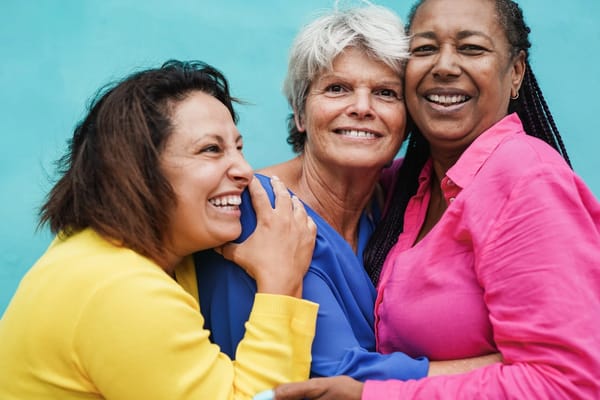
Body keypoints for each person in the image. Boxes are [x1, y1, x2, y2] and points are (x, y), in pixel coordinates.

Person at [264, 0, 600, 398]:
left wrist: (372, 394)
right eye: (424, 49)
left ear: (516, 73)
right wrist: (254, 195)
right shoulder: (405, 187)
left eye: (471, 48)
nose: (444, 66)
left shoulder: (527, 180)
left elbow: (569, 384)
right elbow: (321, 177)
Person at [196, 3, 499, 382]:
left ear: (408, 121)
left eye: (386, 93)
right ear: (300, 112)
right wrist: (508, 369)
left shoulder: (393, 205)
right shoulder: (259, 212)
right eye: (337, 88)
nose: (361, 108)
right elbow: (337, 374)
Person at [0, 60, 319, 399]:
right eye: (211, 150)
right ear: (137, 170)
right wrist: (280, 283)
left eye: (238, 148)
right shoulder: (121, 289)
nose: (244, 169)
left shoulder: (104, 250)